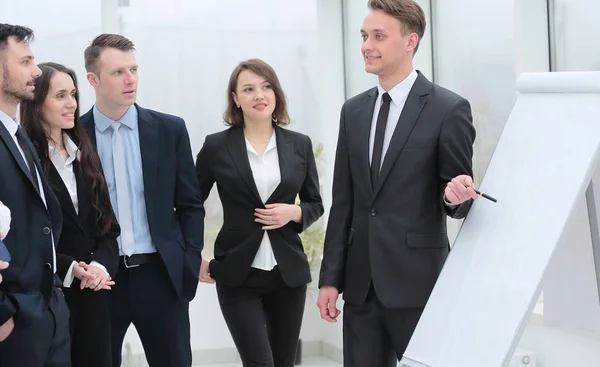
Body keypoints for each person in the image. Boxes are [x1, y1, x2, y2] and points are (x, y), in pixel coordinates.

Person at [317, 1, 478, 366]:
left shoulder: (448, 109)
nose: (366, 46)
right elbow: (345, 201)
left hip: (418, 284)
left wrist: (455, 197)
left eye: (378, 36)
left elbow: (457, 196)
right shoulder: (353, 111)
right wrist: (331, 279)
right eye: (363, 36)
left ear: (410, 41)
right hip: (360, 288)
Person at [81, 33, 205, 367]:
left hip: (160, 275)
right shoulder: (74, 137)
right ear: (93, 79)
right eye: (118, 72)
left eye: (133, 69)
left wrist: (188, 264)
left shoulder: (169, 130)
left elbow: (191, 204)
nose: (130, 79)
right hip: (100, 280)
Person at [195, 58, 324, 367]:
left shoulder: (299, 145)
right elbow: (189, 204)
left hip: (287, 275)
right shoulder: (216, 147)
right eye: (249, 89)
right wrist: (193, 254)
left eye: (266, 87)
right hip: (238, 275)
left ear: (276, 94)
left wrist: (292, 214)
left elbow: (315, 203)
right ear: (236, 99)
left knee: (284, 363)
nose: (259, 95)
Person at [21, 61, 120, 367]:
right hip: (49, 296)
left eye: (74, 94)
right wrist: (70, 268)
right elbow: (26, 235)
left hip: (93, 294)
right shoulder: (25, 159)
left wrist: (100, 266)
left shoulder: (84, 153)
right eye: (60, 95)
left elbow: (107, 227)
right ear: (37, 105)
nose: (72, 104)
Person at [0, 23, 72, 366]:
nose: (36, 71)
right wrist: (3, 314)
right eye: (26, 61)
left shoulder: (20, 135)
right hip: (13, 319)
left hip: (49, 310)